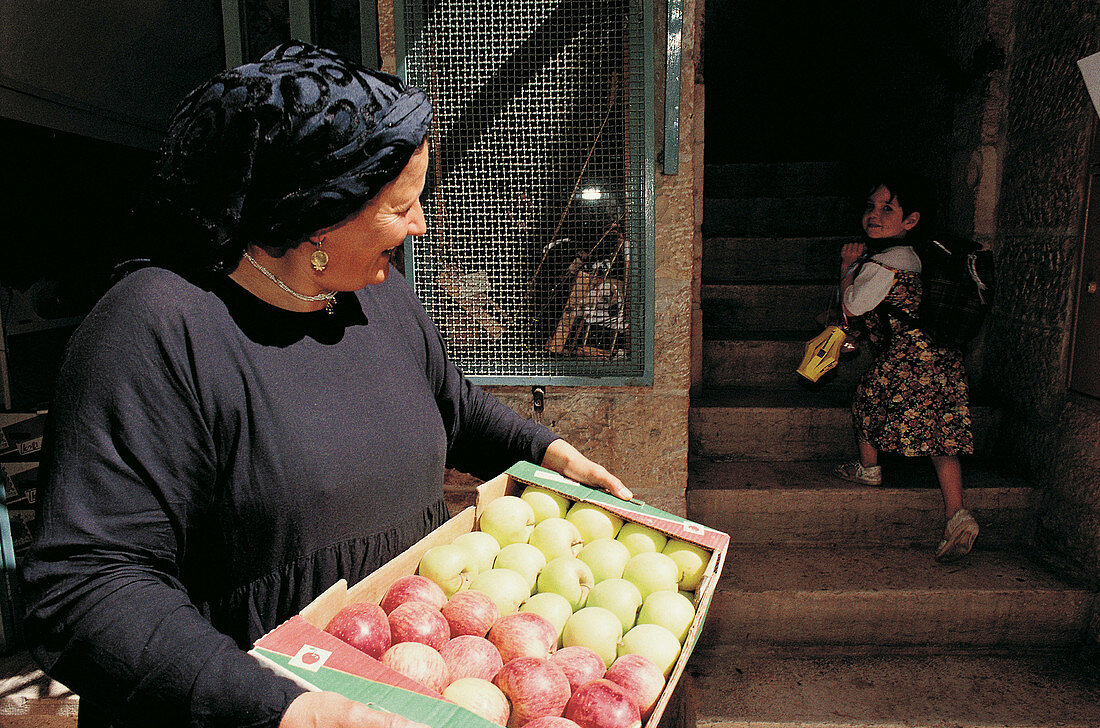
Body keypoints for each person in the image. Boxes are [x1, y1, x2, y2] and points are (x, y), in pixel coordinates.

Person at [20, 42, 631, 728]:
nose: (419, 226)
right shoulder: (154, 329)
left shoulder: (376, 295)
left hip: (399, 685)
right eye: (401, 207)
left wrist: (548, 453)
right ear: (314, 213)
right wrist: (290, 712)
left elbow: (452, 406)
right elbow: (87, 587)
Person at [832, 173, 980, 562]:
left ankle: (868, 469)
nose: (874, 216)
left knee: (866, 399)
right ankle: (957, 513)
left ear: (910, 220)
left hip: (907, 360)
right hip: (943, 359)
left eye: (887, 209)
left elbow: (852, 306)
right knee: (941, 435)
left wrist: (848, 265)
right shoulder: (918, 256)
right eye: (871, 207)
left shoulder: (883, 261)